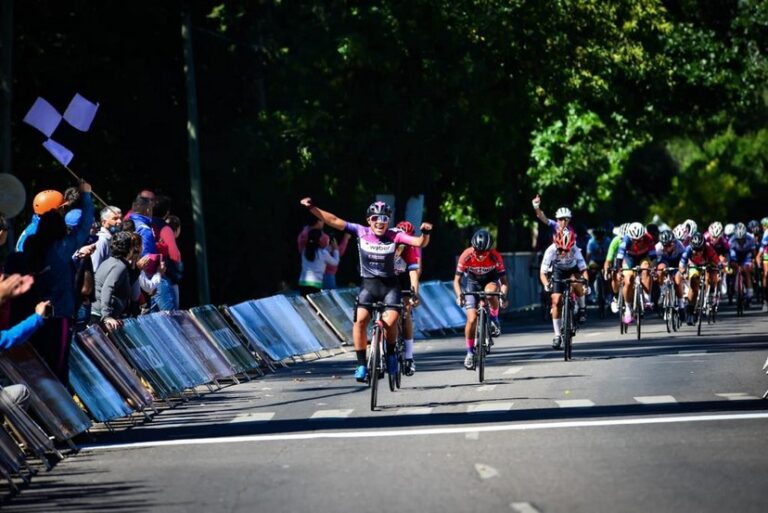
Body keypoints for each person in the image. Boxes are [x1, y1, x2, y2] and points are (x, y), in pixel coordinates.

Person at [299, 197, 432, 382]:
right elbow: (333, 220)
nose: (380, 222)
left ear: (388, 221)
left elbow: (419, 242)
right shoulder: (360, 231)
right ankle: (361, 364)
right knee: (360, 321)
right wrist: (312, 208)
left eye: (384, 218)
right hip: (368, 286)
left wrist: (425, 233)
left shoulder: (395, 235)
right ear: (369, 220)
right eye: (376, 218)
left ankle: (391, 354)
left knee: (391, 322)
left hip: (390, 288)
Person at [454, 229, 509, 369]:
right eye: (477, 251)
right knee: (472, 319)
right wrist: (459, 295)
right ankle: (469, 353)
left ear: (489, 250)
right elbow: (457, 281)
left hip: (490, 281)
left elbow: (504, 282)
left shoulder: (495, 256)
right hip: (472, 283)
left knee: (490, 293)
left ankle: (495, 320)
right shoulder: (466, 255)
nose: (479, 255)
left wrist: (502, 296)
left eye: (483, 252)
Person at [540, 228, 588, 349]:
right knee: (556, 301)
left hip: (573, 270)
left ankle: (582, 308)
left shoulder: (575, 249)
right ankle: (557, 335)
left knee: (576, 282)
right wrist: (546, 284)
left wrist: (585, 284)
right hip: (558, 271)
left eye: (566, 250)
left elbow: (583, 270)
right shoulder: (550, 250)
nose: (563, 252)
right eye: (560, 249)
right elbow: (543, 273)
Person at [394, 220, 424, 375]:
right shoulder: (388, 242)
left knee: (406, 313)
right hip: (390, 278)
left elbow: (415, 272)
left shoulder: (412, 248)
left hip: (405, 277)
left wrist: (414, 293)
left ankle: (409, 356)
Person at [91, 232, 135, 331]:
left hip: (99, 312)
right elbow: (108, 288)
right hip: (99, 315)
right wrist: (107, 316)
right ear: (129, 249)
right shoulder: (119, 266)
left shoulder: (109, 262)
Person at [616, 222, 657, 325]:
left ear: (643, 236)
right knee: (628, 279)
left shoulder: (648, 238)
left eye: (639, 240)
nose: (637, 242)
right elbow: (619, 257)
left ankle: (647, 298)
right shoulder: (626, 240)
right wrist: (619, 271)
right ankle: (628, 309)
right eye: (634, 240)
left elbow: (653, 257)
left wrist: (653, 268)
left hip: (643, 257)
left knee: (646, 269)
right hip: (629, 258)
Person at [680, 232, 719, 325]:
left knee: (712, 273)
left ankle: (711, 292)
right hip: (694, 265)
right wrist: (683, 273)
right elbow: (681, 265)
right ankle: (690, 311)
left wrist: (718, 267)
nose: (697, 252)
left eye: (700, 250)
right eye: (695, 250)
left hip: (707, 264)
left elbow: (717, 262)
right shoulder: (688, 250)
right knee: (693, 283)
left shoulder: (709, 249)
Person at [298, 228, 339, 296]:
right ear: (320, 240)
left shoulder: (304, 251)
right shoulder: (323, 253)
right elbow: (335, 262)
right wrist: (335, 249)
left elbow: (318, 252)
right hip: (315, 284)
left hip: (303, 283)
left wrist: (329, 247)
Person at [655, 229, 686, 318]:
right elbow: (654, 262)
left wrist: (684, 271)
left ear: (673, 242)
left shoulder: (680, 245)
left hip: (677, 262)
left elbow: (685, 260)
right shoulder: (658, 248)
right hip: (665, 261)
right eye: (664, 245)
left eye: (669, 245)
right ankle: (662, 291)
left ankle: (681, 304)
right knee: (660, 269)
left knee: (678, 279)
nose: (667, 247)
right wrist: (654, 271)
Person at [728, 222, 756, 306]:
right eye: (738, 239)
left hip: (747, 255)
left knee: (747, 270)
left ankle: (749, 292)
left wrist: (753, 262)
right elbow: (731, 256)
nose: (740, 241)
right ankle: (733, 284)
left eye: (742, 239)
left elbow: (753, 253)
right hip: (736, 254)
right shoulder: (731, 240)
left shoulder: (750, 238)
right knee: (733, 267)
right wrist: (733, 265)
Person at [91, 205, 123, 273]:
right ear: (104, 222)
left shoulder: (113, 239)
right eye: (115, 219)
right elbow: (94, 268)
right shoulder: (101, 240)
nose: (120, 221)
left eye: (121, 218)